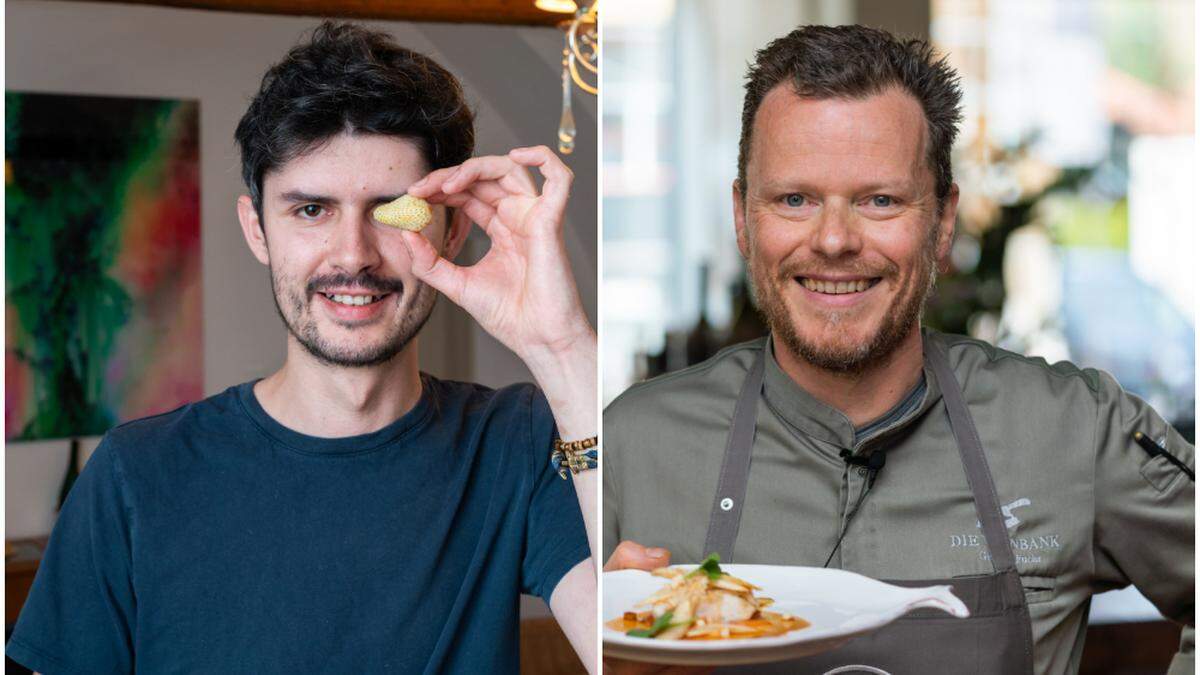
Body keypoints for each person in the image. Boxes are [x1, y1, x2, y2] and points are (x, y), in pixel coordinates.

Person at [8, 22, 597, 674]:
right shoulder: (132, 477)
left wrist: (561, 344)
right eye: (311, 210)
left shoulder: (516, 442)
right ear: (258, 229)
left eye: (390, 209)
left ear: (452, 228)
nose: (353, 255)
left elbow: (631, 632)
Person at [602, 24, 1193, 674]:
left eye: (879, 200)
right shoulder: (631, 448)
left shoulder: (1073, 428)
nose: (833, 240)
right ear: (743, 218)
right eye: (795, 199)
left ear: (942, 222)